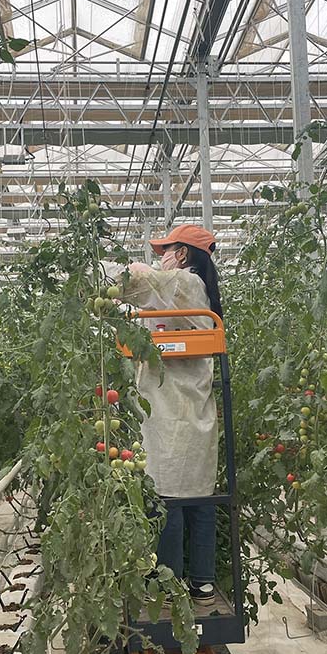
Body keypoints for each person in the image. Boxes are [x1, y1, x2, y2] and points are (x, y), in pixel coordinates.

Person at [103, 225, 221, 605]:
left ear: (183, 254)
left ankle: (169, 584)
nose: (162, 257)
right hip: (190, 410)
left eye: (166, 250)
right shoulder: (195, 291)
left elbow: (139, 281)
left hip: (174, 411)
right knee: (198, 499)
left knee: (167, 497)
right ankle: (201, 582)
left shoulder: (185, 283)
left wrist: (99, 270)